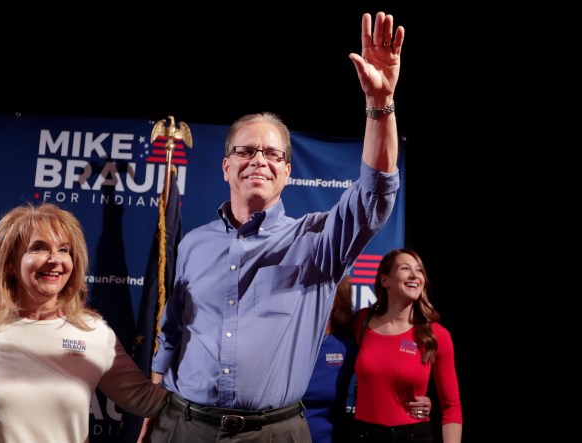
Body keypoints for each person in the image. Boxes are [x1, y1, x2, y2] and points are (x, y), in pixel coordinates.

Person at [141, 11, 405, 442]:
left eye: (271, 153)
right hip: (182, 426)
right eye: (245, 151)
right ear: (226, 167)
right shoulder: (193, 244)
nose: (258, 160)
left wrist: (379, 107)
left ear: (286, 171)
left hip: (275, 433)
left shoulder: (319, 241)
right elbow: (172, 332)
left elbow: (375, 193)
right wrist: (153, 410)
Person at [0, 202, 169, 443]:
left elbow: (149, 401)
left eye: (64, 250)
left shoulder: (94, 332)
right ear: (10, 262)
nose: (55, 260)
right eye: (39, 248)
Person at [349, 249, 462, 443]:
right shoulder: (361, 321)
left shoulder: (435, 335)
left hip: (413, 436)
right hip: (364, 435)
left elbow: (451, 407)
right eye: (405, 268)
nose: (414, 275)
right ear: (385, 281)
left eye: (419, 270)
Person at [303, 277, 431, 443]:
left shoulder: (347, 344)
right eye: (310, 293)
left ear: (338, 298)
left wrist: (416, 398)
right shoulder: (284, 344)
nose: (318, 299)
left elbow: (385, 372)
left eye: (327, 291)